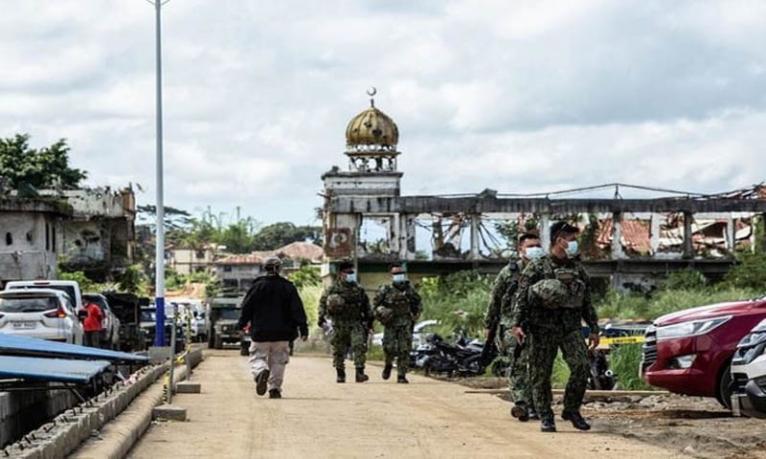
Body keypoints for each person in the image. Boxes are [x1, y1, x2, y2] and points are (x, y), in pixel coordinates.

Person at [511, 222, 600, 433]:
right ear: (559, 240)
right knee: (540, 374)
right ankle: (545, 415)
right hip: (542, 328)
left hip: (570, 328)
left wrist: (594, 328)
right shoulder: (537, 267)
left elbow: (586, 300)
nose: (574, 244)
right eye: (571, 240)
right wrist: (517, 324)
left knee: (581, 366)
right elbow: (521, 297)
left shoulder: (577, 269)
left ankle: (571, 409)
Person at [489, 233, 543, 422]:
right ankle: (521, 402)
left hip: (539, 324)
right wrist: (490, 324)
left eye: (538, 245)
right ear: (520, 249)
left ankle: (536, 404)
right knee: (519, 363)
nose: (535, 249)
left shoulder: (545, 270)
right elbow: (495, 299)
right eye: (530, 246)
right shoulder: (509, 272)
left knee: (538, 365)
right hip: (511, 325)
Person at [238, 257, 308, 399]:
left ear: (265, 268)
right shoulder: (288, 287)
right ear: (280, 269)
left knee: (257, 356)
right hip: (283, 333)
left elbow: (247, 307)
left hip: (260, 332)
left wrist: (241, 324)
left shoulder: (257, 286)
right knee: (279, 361)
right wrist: (303, 328)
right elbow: (297, 309)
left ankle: (260, 372)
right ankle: (275, 389)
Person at [318, 260, 373, 383]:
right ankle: (340, 373)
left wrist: (370, 321)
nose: (351, 275)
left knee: (359, 346)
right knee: (338, 349)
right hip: (339, 323)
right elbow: (322, 303)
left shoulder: (358, 289)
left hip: (356, 322)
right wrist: (321, 317)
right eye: (348, 272)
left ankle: (360, 373)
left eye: (352, 272)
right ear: (341, 274)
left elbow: (366, 305)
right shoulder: (333, 289)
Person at [373, 264, 422, 383]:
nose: (398, 276)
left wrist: (415, 316)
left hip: (405, 323)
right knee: (389, 348)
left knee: (404, 349)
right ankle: (388, 364)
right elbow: (375, 306)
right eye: (395, 274)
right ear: (391, 275)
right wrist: (381, 313)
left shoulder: (409, 290)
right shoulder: (385, 289)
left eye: (400, 273)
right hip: (390, 323)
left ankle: (401, 375)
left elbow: (418, 304)